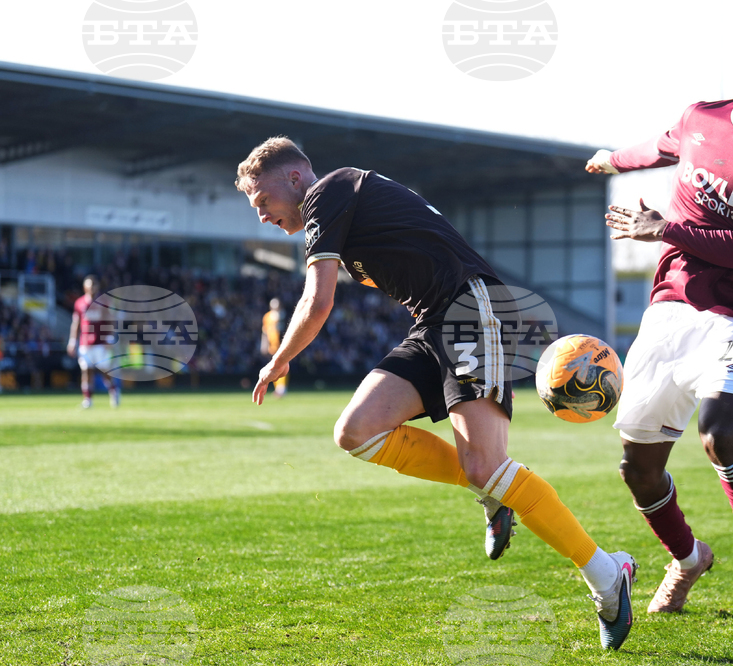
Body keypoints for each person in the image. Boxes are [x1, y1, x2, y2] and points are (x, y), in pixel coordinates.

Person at [235, 137, 637, 650]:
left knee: (486, 465)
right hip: (434, 323)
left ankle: (607, 574)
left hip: (469, 309)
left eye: (262, 200)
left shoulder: (327, 192)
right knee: (356, 432)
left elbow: (319, 300)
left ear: (294, 178)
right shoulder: (338, 209)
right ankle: (491, 494)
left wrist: (279, 358)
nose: (262, 216)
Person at [586, 19, 733, 631]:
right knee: (637, 468)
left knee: (721, 434)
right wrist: (612, 160)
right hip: (669, 308)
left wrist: (665, 228)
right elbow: (660, 147)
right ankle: (688, 558)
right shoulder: (699, 117)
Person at [67, 275, 120, 409]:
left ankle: (113, 389)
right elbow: (76, 323)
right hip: (85, 343)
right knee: (86, 371)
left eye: (94, 286)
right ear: (84, 287)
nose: (92, 288)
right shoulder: (80, 303)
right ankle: (88, 399)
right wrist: (72, 341)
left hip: (101, 342)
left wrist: (109, 338)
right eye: (89, 286)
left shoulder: (104, 302)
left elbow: (111, 320)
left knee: (104, 371)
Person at [261, 298, 288, 398]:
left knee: (283, 366)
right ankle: (278, 388)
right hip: (272, 346)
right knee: (274, 367)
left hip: (281, 345)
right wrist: (264, 345)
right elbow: (265, 332)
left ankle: (281, 388)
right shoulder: (267, 317)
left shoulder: (283, 316)